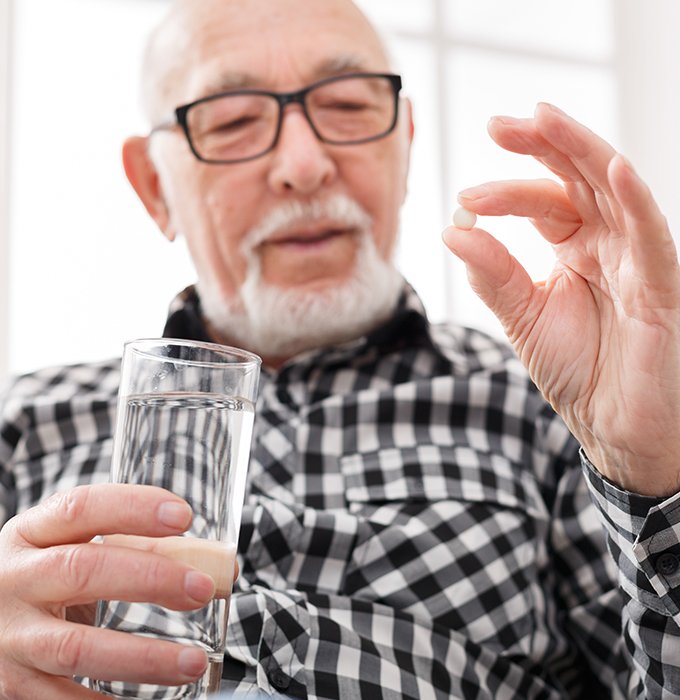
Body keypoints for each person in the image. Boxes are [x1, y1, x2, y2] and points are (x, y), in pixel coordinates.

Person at [1, 0, 679, 697]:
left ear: (405, 146)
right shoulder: (21, 424)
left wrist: (651, 467)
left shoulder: (553, 407)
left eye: (350, 106)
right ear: (154, 188)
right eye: (234, 120)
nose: (304, 164)